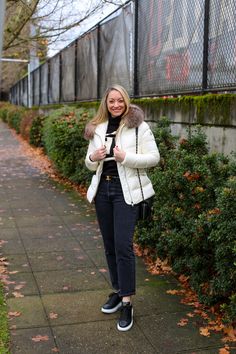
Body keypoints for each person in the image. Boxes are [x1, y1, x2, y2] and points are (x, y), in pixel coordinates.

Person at [84, 84, 160, 331]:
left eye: (119, 101)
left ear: (126, 102)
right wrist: (93, 158)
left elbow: (154, 158)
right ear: (105, 104)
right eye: (111, 101)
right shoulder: (98, 128)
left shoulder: (139, 126)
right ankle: (117, 291)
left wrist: (125, 158)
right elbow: (89, 162)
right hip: (102, 192)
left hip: (125, 192)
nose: (115, 105)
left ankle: (127, 303)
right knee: (109, 246)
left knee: (123, 246)